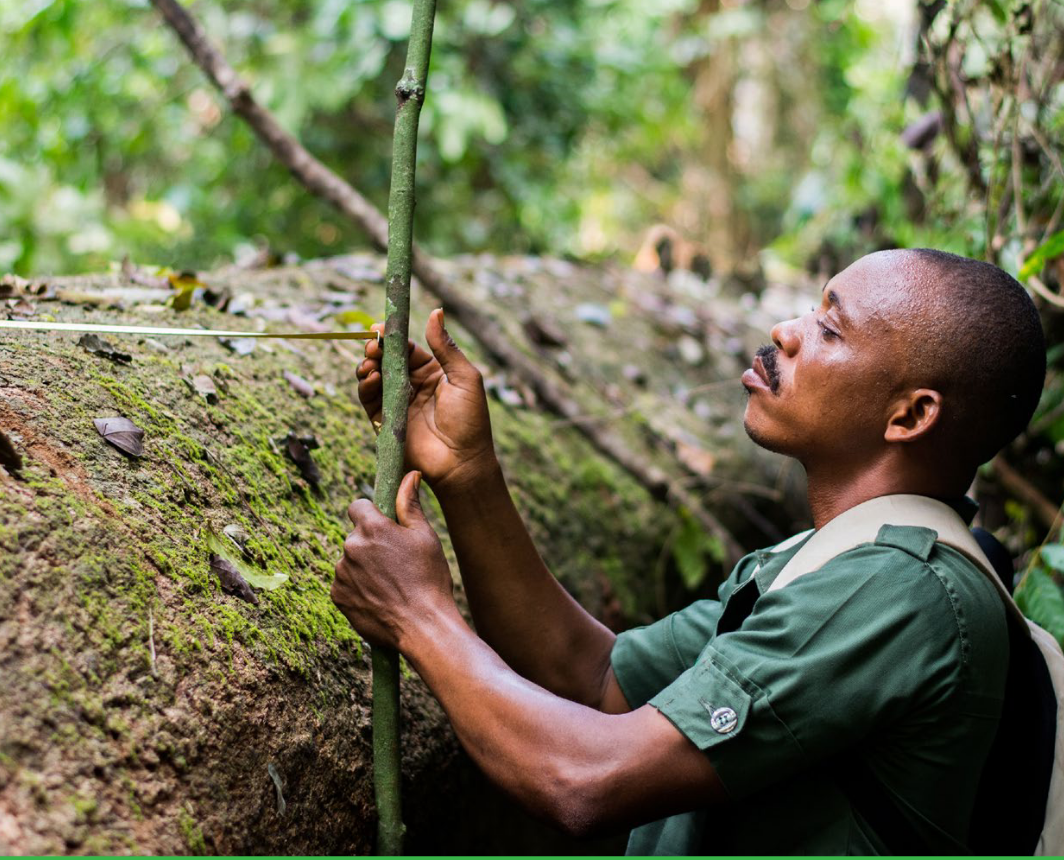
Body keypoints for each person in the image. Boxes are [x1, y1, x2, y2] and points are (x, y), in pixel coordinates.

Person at [331, 248, 1047, 853]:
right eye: (810, 310)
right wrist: (467, 473)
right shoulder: (820, 560)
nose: (785, 331)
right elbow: (592, 679)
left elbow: (585, 781)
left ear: (910, 414)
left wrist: (418, 617)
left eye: (829, 329)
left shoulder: (898, 591)